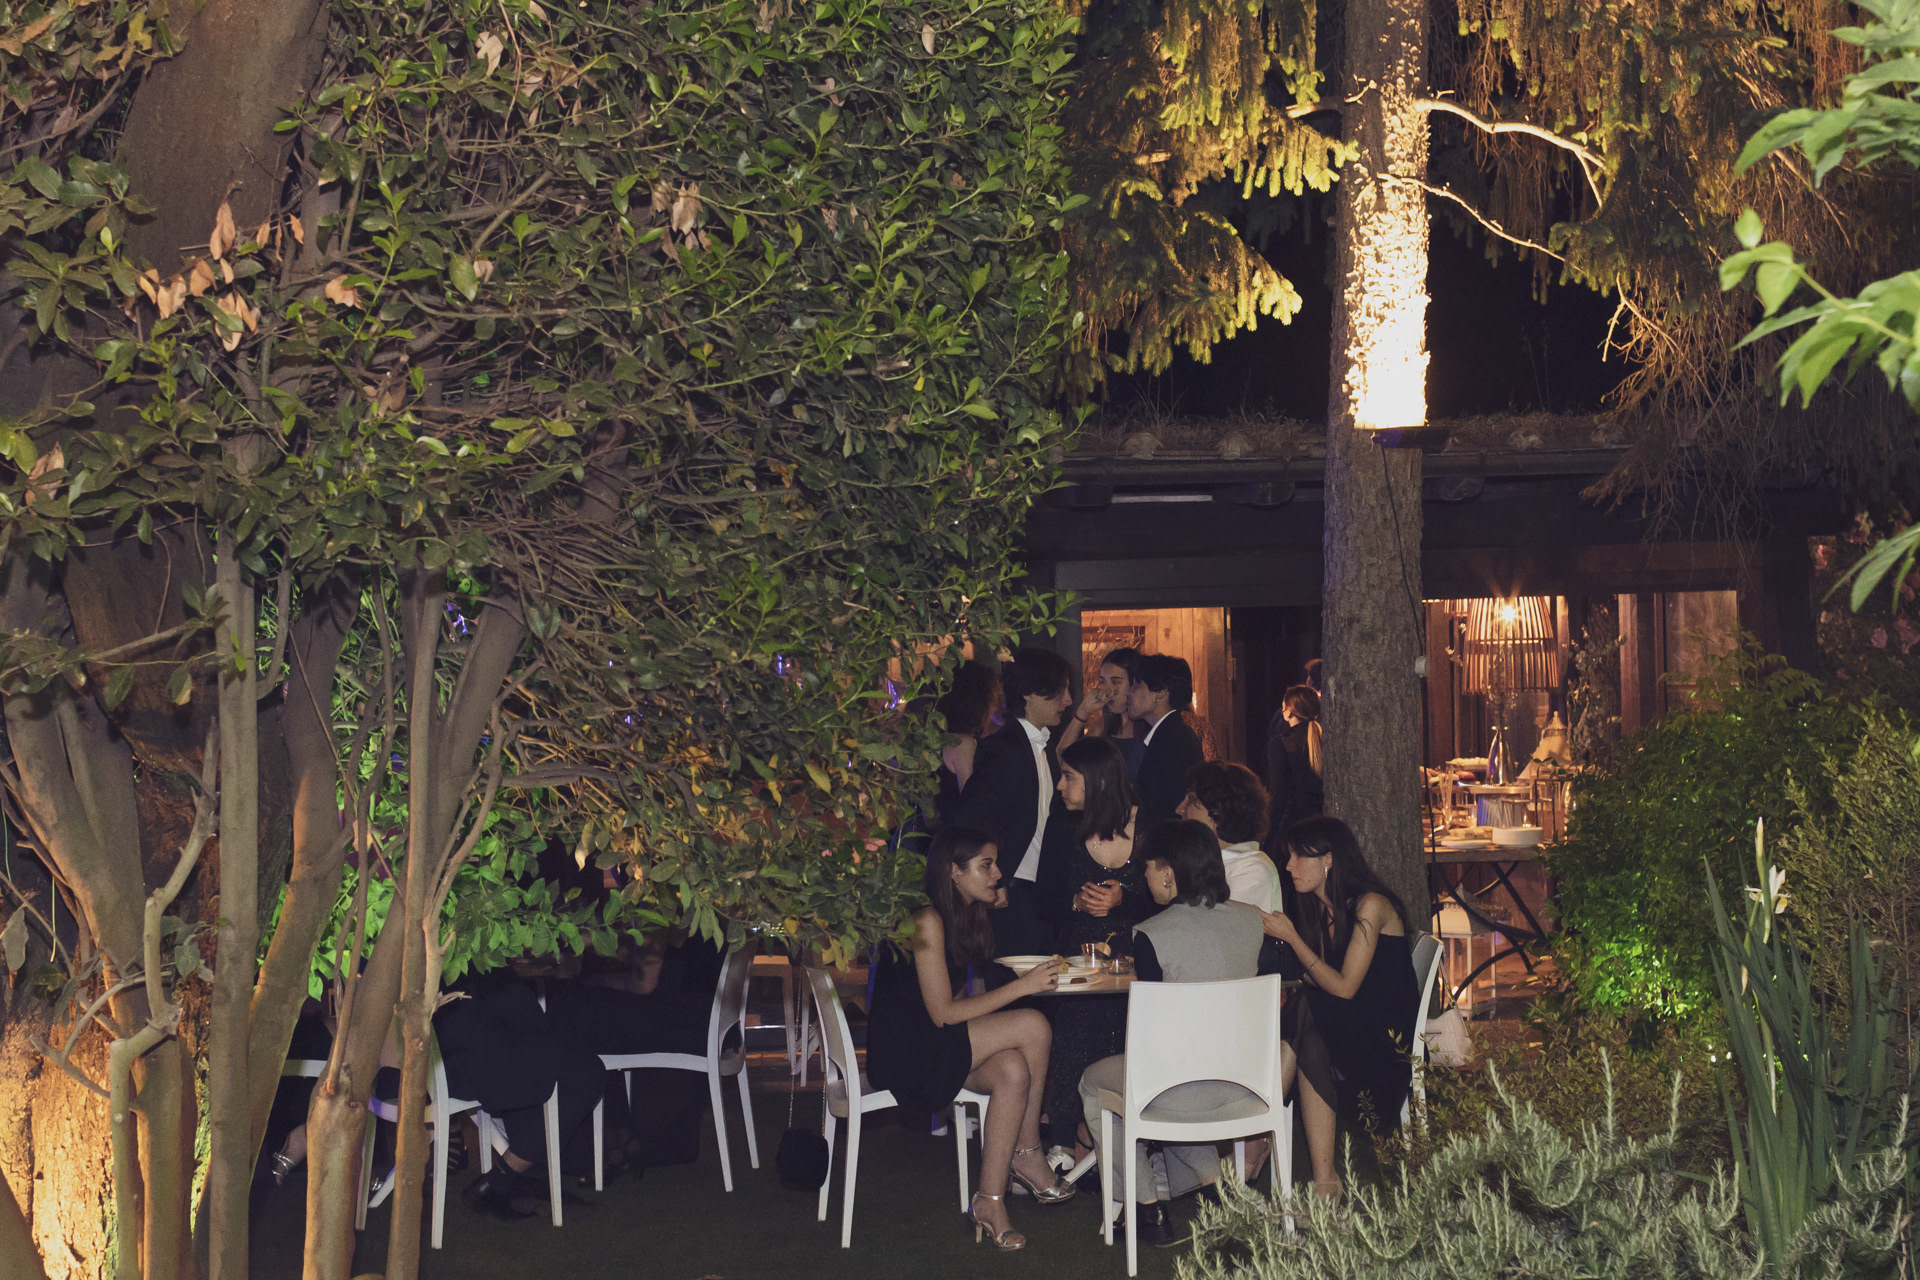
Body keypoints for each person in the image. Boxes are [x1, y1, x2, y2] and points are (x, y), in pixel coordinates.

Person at [866, 827, 1078, 1250]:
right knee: (1034, 1025)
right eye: (986, 865)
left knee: (1013, 1070)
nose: (998, 874)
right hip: (907, 1056)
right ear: (954, 872)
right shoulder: (925, 918)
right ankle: (1028, 1152)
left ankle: (989, 1201)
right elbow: (943, 1014)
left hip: (930, 1042)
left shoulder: (955, 915)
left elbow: (948, 1005)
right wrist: (1021, 987)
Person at [1078, 819, 1264, 1246]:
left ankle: (1146, 1207)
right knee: (1172, 1077)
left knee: (1096, 1083)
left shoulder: (1152, 934)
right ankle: (1215, 1186)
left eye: (1148, 867)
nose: (1144, 877)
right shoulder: (1251, 920)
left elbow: (1153, 1038)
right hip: (1243, 1083)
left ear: (1167, 872)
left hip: (1181, 1089)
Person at [1260, 815, 1418, 1200]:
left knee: (1305, 1013)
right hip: (1351, 1028)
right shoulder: (1324, 909)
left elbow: (1344, 989)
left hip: (1387, 1043)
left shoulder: (1371, 905)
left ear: (1328, 859)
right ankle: (1325, 1182)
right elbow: (1321, 979)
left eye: (1299, 856)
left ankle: (1257, 1134)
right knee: (1307, 1025)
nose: (1289, 866)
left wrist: (1293, 939)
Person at [1033, 737, 1157, 1166]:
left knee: (1128, 1036)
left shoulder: (1148, 826)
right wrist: (1075, 902)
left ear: (1099, 781)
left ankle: (1135, 1141)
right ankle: (1065, 1141)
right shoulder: (1063, 827)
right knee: (1074, 1030)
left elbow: (1170, 901)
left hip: (1137, 961)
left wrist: (1124, 900)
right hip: (1079, 961)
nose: (1061, 786)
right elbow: (1042, 900)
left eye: (1069, 777)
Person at [438, 968, 610, 1218]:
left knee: (546, 1059)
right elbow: (522, 1012)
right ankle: (500, 1180)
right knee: (585, 1071)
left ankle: (528, 1180)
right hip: (474, 1063)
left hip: (444, 1059)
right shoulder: (472, 956)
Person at [949, 647, 1075, 956]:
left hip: (1042, 898)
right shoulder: (1003, 749)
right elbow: (972, 820)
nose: (1068, 701)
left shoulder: (1043, 748)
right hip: (1012, 897)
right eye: (1060, 691)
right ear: (1030, 693)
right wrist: (996, 878)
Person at [1176, 761, 1282, 913]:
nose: (1179, 809)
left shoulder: (1251, 870)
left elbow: (1218, 924)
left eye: (1190, 799)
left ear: (1217, 809)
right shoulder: (1206, 860)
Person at [1128, 654, 1205, 829]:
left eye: (1137, 685)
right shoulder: (1166, 734)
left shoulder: (1176, 740)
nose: (1129, 693)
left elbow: (1172, 807)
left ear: (1161, 692)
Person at [1057, 647, 1147, 776]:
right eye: (1103, 682)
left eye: (1116, 682)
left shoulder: (1149, 726)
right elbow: (1063, 758)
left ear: (1134, 684)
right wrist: (1083, 711)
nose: (1108, 691)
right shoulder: (1101, 728)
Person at [934, 661, 1002, 822]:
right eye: (992, 699)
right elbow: (972, 807)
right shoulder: (963, 743)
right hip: (957, 834)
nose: (995, 706)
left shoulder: (938, 739)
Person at [1265, 684, 1324, 843]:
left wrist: (1269, 829)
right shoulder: (1323, 739)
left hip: (1293, 824)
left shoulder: (1280, 744)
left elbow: (1278, 793)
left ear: (1289, 712)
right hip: (1322, 822)